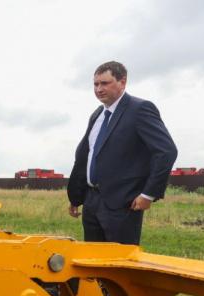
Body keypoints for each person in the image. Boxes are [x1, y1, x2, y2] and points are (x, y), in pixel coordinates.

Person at [67, 61, 177, 245]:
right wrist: (76, 197)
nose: (99, 89)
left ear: (122, 82)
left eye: (105, 83)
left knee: (120, 261)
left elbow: (166, 152)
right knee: (93, 259)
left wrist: (148, 194)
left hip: (123, 204)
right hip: (92, 202)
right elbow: (86, 156)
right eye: (96, 84)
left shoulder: (140, 109)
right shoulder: (97, 115)